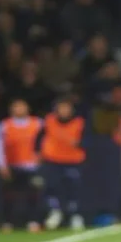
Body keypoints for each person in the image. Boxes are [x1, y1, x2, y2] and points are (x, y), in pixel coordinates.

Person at [0, 98, 45, 232]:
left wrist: (42, 156)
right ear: (11, 109)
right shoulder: (4, 125)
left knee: (34, 194)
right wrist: (1, 164)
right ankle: (7, 222)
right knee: (9, 195)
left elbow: (47, 141)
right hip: (13, 165)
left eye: (22, 107)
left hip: (32, 166)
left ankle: (33, 221)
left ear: (27, 108)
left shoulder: (38, 123)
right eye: (16, 107)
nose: (19, 109)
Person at [40, 97, 87, 231]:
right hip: (53, 160)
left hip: (73, 161)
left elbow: (88, 140)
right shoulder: (48, 121)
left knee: (74, 189)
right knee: (51, 187)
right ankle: (55, 213)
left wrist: (80, 143)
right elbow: (39, 138)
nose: (64, 111)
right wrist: (38, 152)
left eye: (67, 108)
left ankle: (75, 216)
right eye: (61, 108)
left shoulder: (79, 123)